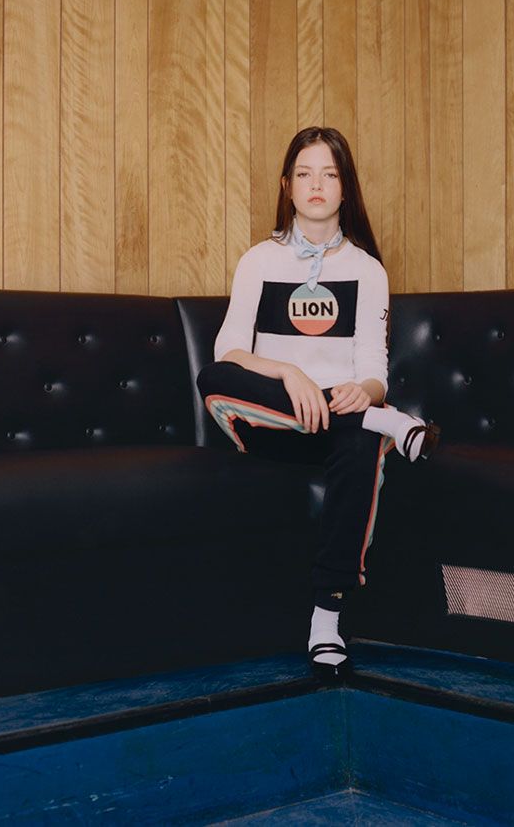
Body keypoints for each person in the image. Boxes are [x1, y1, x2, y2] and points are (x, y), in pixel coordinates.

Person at [196, 126, 440, 679]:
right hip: (270, 424)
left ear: (345, 188)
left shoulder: (367, 270)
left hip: (337, 433)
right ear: (286, 185)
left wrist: (366, 395)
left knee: (360, 440)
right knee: (213, 378)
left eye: (329, 175)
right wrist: (290, 374)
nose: (316, 185)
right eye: (304, 174)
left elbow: (373, 369)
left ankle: (326, 622)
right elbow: (227, 352)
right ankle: (384, 423)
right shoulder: (259, 260)